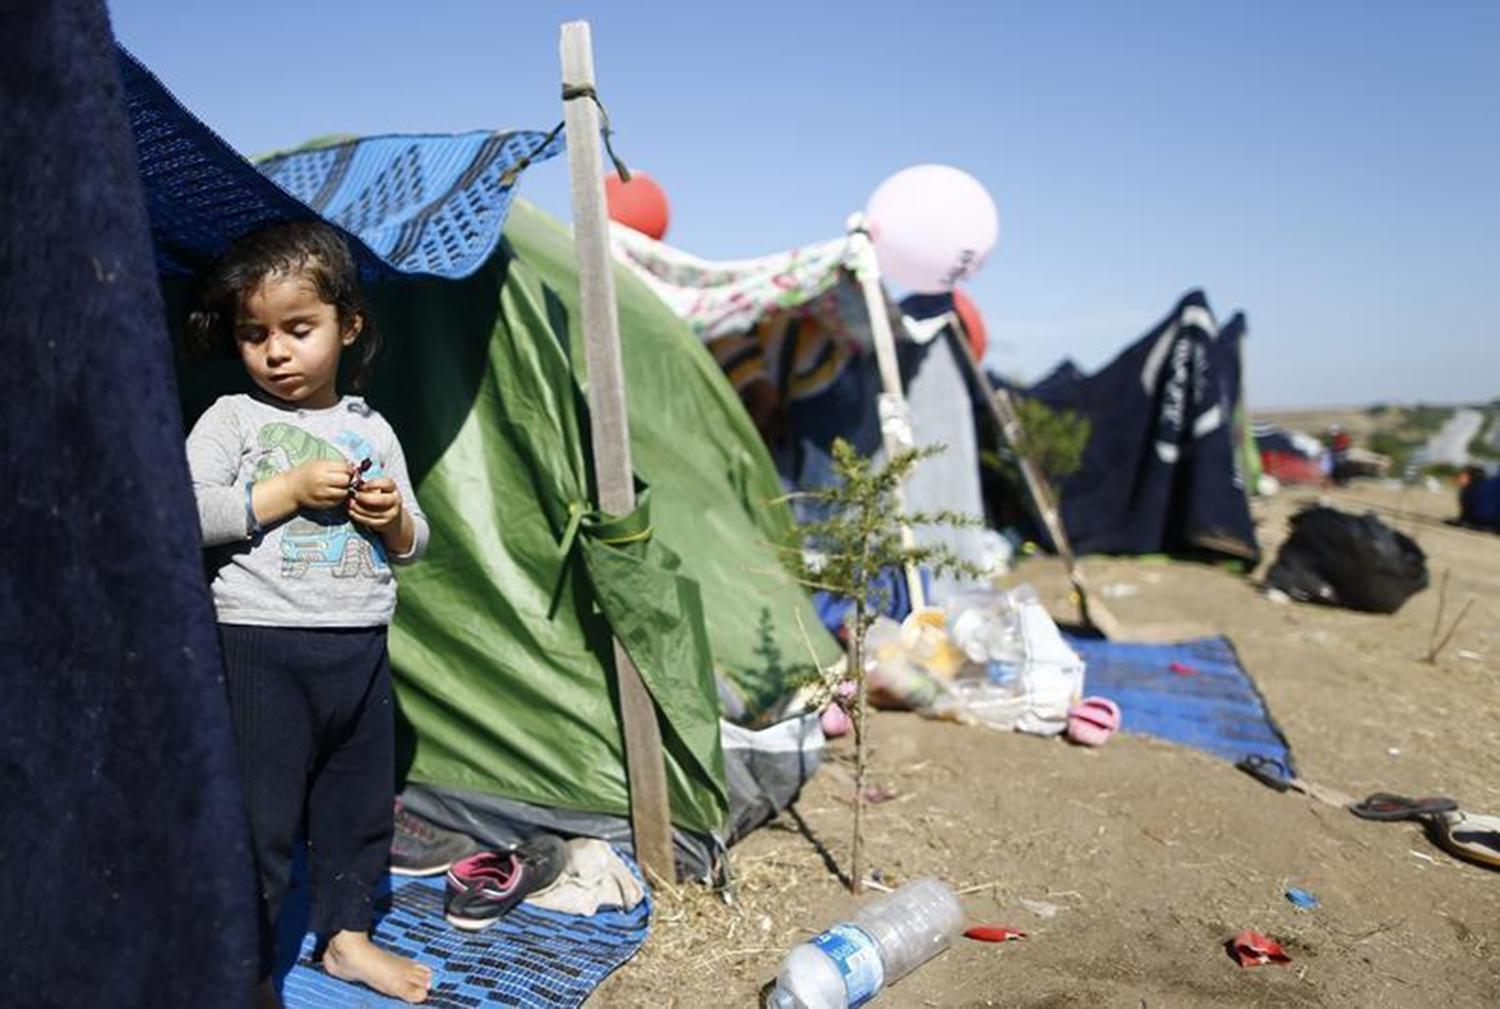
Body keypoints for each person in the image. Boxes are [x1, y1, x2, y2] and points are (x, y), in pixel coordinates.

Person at [184, 221, 432, 1006]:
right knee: (257, 826)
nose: (276, 351)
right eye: (255, 334)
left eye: (299, 328)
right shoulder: (233, 419)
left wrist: (391, 515)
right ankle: (245, 965)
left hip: (358, 649)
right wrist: (285, 492)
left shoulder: (372, 427)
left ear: (347, 326)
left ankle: (347, 940)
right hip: (259, 649)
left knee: (357, 809)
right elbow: (182, 513)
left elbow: (415, 542)